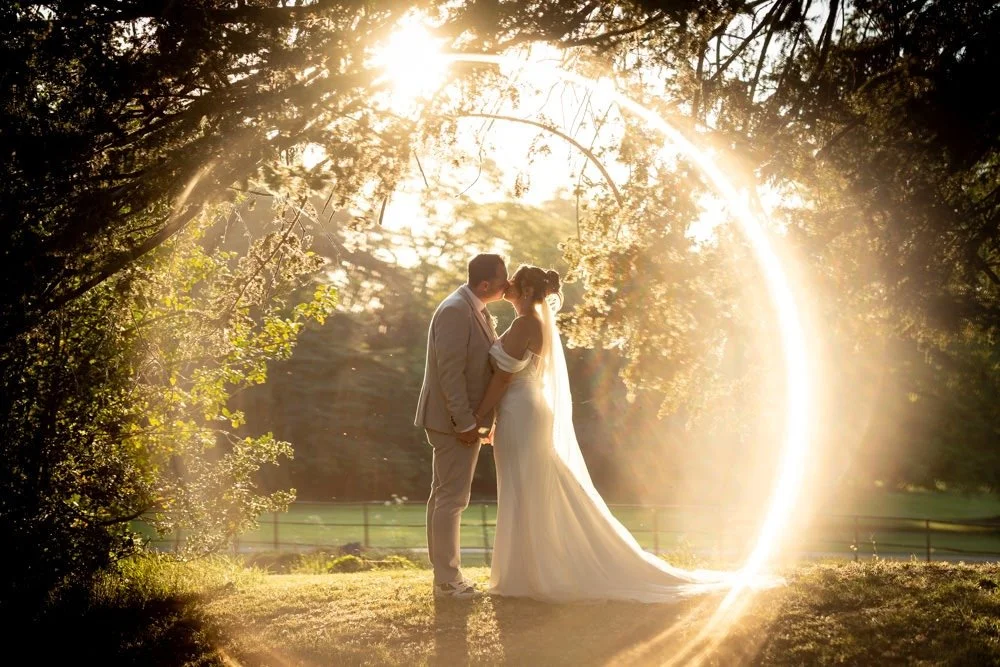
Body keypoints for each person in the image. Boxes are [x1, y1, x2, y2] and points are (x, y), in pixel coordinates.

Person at [474, 264, 764, 602]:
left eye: (512, 281)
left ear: (524, 291)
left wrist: (480, 416)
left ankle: (529, 574)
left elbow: (504, 377)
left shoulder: (526, 324)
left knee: (526, 484)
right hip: (523, 409)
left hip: (521, 411)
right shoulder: (534, 324)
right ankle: (527, 570)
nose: (506, 284)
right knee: (528, 483)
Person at [414, 253, 509, 599]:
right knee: (452, 499)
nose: (507, 285)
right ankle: (447, 581)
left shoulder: (473, 307)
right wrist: (465, 422)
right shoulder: (456, 310)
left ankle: (444, 576)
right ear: (485, 284)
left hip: (455, 419)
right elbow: (449, 373)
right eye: (503, 279)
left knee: (444, 496)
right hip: (451, 421)